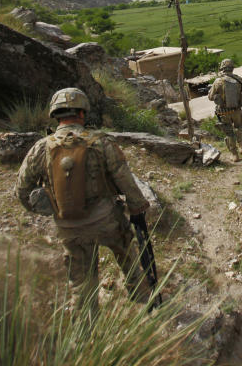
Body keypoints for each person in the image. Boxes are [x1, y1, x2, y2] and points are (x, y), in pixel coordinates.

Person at [15, 87, 152, 313]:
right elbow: (123, 178)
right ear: (82, 113)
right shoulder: (101, 142)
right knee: (127, 256)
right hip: (106, 219)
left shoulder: (41, 148)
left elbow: (21, 190)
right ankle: (142, 299)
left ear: (55, 116)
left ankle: (86, 333)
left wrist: (50, 208)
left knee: (80, 284)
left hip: (69, 227)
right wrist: (137, 207)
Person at [207, 58, 242, 161]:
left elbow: (210, 97)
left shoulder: (218, 81)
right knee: (239, 127)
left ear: (222, 68)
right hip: (236, 110)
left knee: (229, 132)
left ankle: (234, 155)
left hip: (223, 112)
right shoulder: (237, 80)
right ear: (232, 68)